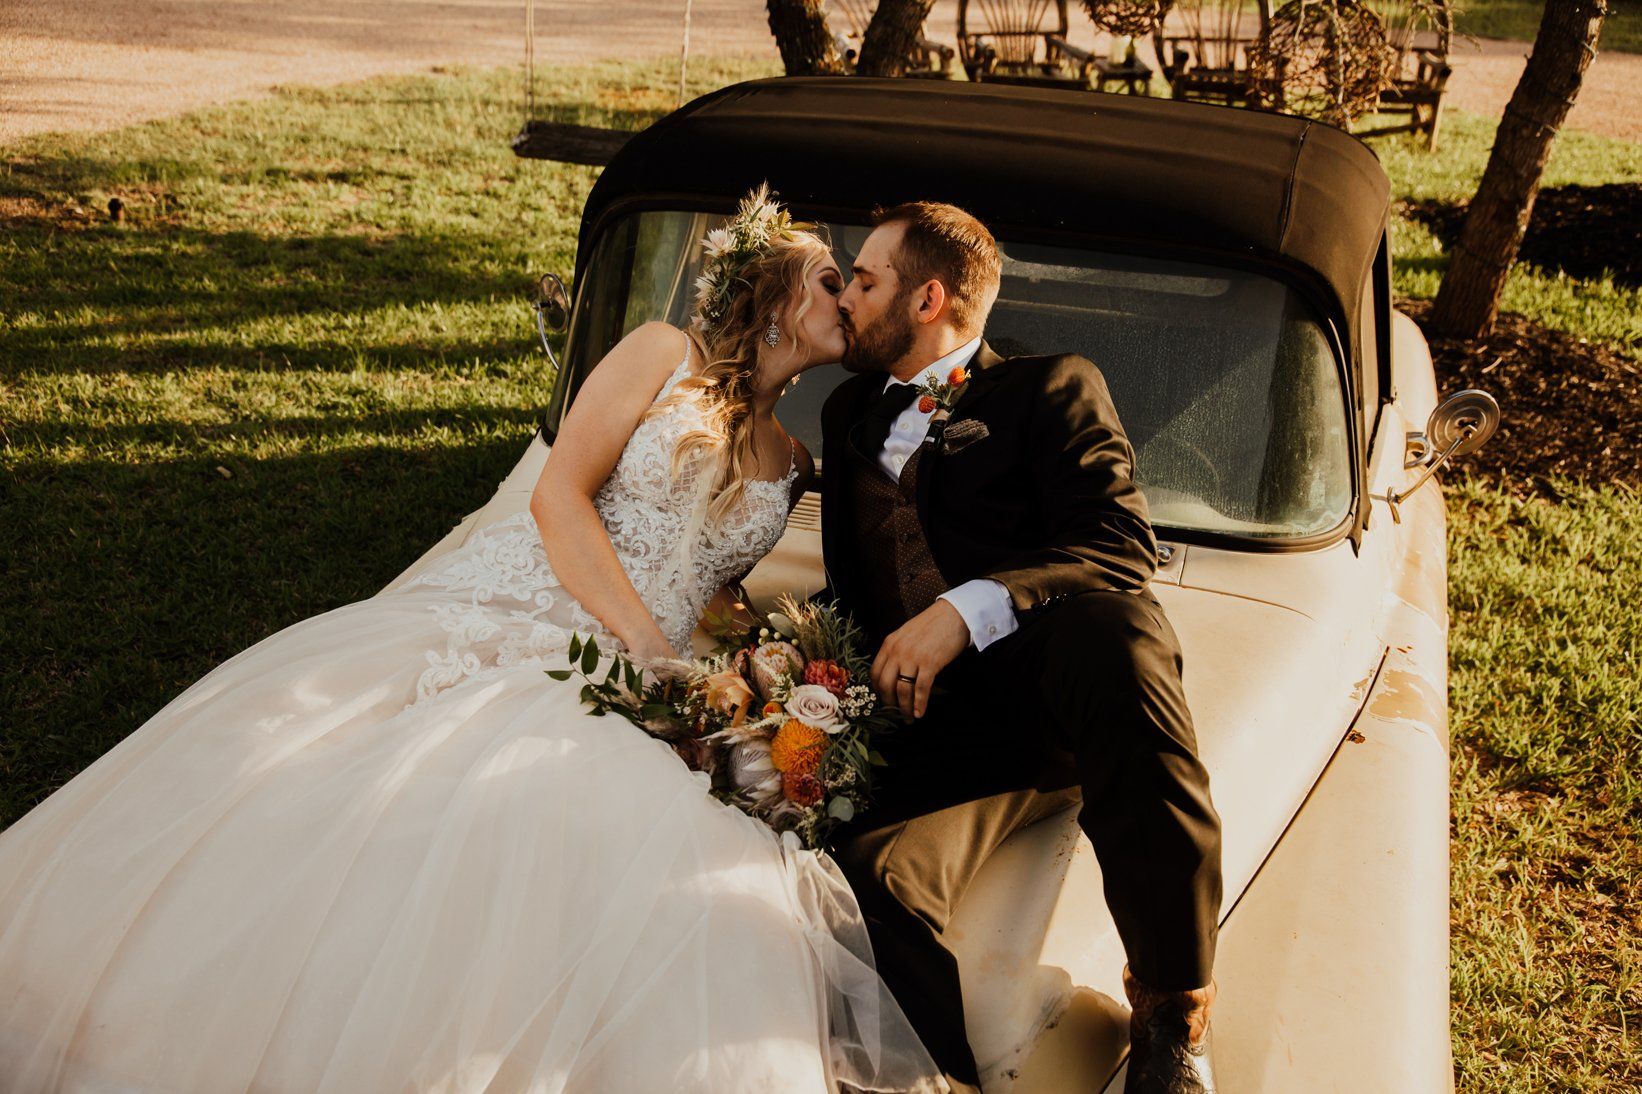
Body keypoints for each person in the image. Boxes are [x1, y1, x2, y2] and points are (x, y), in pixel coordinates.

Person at [0, 187, 942, 1093]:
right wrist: (645, 642)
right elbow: (559, 494)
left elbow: (711, 571)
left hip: (653, 671)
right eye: (835, 280)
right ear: (774, 287)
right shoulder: (664, 353)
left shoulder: (795, 459)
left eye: (861, 285)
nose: (851, 300)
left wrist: (758, 654)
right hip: (533, 616)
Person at [820, 201, 1224, 1094]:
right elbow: (861, 575)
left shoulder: (1049, 388)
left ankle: (1173, 1009)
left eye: (865, 281)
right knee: (862, 886)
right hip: (925, 731)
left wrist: (967, 609)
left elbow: (1119, 544)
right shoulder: (849, 410)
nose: (846, 296)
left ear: (928, 299)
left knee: (1122, 629)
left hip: (1050, 711)